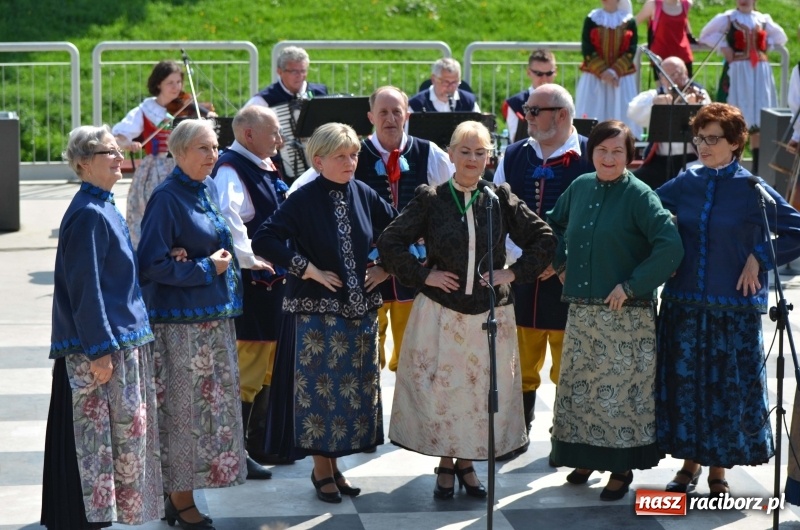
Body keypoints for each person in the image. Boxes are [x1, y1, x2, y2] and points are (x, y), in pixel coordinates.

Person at [378, 121, 557, 500]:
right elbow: (390, 241)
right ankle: (446, 462)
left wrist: (513, 272)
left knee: (478, 395)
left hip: (490, 314)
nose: (472, 159)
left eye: (480, 152)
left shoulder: (498, 198)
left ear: (489, 157)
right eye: (465, 151)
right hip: (441, 313)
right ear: (451, 154)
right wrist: (424, 275)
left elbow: (543, 238)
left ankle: (467, 463)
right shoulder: (432, 199)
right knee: (444, 392)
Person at [655, 103, 800, 496]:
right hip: (683, 306)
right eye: (699, 138)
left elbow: (796, 231)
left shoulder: (752, 189)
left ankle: (718, 470)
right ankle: (689, 465)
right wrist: (666, 248)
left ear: (735, 143)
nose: (703, 146)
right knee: (688, 389)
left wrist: (760, 256)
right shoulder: (686, 181)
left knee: (725, 391)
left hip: (732, 311)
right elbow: (646, 211)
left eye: (713, 139)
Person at [251, 123, 397, 504]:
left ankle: (332, 467)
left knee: (348, 394)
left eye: (354, 155)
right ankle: (321, 470)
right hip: (314, 316)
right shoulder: (303, 198)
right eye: (340, 156)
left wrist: (385, 267)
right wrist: (308, 269)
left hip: (358, 314)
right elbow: (263, 238)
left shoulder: (363, 193)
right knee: (318, 395)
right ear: (318, 161)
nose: (350, 162)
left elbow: (399, 229)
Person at [547, 119, 683, 501]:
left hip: (626, 317)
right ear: (591, 152)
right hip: (583, 313)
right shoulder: (579, 187)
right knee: (582, 391)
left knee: (618, 397)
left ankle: (621, 468)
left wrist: (632, 285)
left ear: (630, 156)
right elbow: (552, 225)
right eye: (602, 150)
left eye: (617, 151)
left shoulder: (639, 195)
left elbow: (670, 246)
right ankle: (584, 458)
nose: (608, 158)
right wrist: (559, 263)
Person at [42, 125, 162, 529]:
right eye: (107, 152)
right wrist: (99, 351)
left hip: (120, 340)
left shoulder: (103, 205)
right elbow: (85, 289)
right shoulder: (89, 214)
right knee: (92, 445)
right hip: (99, 349)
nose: (118, 157)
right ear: (82, 163)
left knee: (112, 443)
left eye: (117, 150)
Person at [289, 86, 453, 372]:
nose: (390, 118)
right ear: (370, 117)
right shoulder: (352, 153)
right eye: (383, 112)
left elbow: (452, 201)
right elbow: (300, 191)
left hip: (413, 267)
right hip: (365, 271)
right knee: (364, 354)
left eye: (396, 112)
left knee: (416, 356)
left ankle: (408, 403)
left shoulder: (428, 152)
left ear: (407, 115)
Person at [138, 119, 246, 529]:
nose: (213, 155)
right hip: (182, 330)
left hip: (211, 323)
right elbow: (151, 263)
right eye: (203, 148)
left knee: (206, 417)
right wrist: (204, 268)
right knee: (185, 417)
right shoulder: (167, 198)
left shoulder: (205, 188)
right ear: (180, 152)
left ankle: (181, 496)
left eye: (215, 147)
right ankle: (181, 501)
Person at [493, 84, 594, 462]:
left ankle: (567, 439)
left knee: (571, 366)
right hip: (523, 277)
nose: (527, 117)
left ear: (562, 114)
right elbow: (498, 213)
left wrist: (560, 261)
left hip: (573, 281)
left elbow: (596, 220)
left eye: (535, 111)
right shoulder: (514, 154)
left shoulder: (591, 155)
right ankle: (517, 432)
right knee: (520, 362)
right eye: (527, 109)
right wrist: (527, 261)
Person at [210, 105, 289, 476]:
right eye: (273, 133)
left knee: (270, 360)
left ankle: (261, 441)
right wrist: (248, 257)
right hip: (255, 283)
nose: (279, 140)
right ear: (248, 134)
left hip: (274, 282)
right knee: (250, 363)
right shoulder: (231, 168)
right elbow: (229, 217)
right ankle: (237, 451)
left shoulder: (261, 164)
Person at [699, 0, 787, 174]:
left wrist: (766, 43)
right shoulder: (728, 18)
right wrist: (723, 47)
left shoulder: (763, 19)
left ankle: (757, 168)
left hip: (759, 73)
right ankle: (732, 164)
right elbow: (705, 34)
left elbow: (781, 37)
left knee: (759, 114)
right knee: (735, 114)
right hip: (738, 71)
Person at [112, 60, 183, 249]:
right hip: (156, 166)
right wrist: (129, 144)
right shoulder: (145, 110)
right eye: (170, 83)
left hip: (183, 164)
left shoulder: (186, 107)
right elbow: (119, 136)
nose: (176, 87)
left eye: (179, 82)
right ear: (158, 84)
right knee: (148, 207)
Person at [244, 46, 329, 182]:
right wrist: (268, 140)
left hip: (320, 163)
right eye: (294, 71)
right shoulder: (264, 99)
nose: (299, 76)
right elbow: (242, 127)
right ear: (279, 71)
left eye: (303, 71)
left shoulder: (319, 92)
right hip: (280, 168)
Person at [627, 56, 711, 189]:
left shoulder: (698, 93)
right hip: (660, 160)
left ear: (686, 73)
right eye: (668, 76)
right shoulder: (655, 94)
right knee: (633, 184)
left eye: (678, 74)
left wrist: (695, 106)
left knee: (689, 180)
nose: (674, 79)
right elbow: (632, 112)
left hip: (692, 158)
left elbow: (710, 122)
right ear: (661, 78)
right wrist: (654, 102)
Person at [575, 0, 642, 140]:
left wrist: (614, 72)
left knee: (621, 113)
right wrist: (603, 71)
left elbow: (631, 49)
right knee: (593, 110)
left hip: (620, 78)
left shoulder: (628, 21)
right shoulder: (592, 19)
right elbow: (587, 48)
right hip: (595, 77)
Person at [503, 49, 558, 143]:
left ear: (555, 71)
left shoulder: (564, 100)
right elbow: (516, 140)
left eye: (549, 73)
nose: (544, 79)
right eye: (539, 74)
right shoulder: (515, 103)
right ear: (528, 72)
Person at [635, 0, 695, 79]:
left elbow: (684, 23)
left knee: (685, 86)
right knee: (663, 87)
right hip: (660, 58)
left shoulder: (686, 4)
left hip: (683, 57)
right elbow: (634, 23)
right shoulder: (653, 4)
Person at [408, 58, 480, 113]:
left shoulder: (468, 101)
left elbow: (479, 127)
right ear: (433, 79)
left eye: (455, 82)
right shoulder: (416, 103)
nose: (450, 87)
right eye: (446, 82)